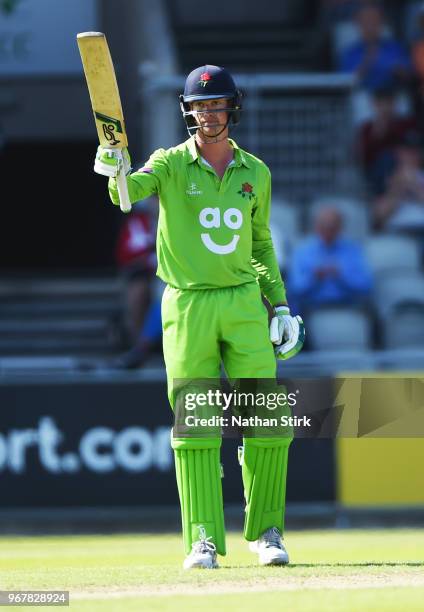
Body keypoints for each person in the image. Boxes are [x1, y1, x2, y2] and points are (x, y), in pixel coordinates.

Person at [94, 65, 304, 569]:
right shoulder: (169, 163)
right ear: (187, 113)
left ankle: (267, 531)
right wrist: (114, 166)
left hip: (242, 300)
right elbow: (127, 196)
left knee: (269, 419)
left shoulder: (255, 171)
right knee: (197, 423)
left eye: (216, 106)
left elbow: (261, 244)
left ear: (232, 109)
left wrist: (278, 304)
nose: (208, 115)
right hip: (187, 303)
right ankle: (203, 538)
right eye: (199, 107)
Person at [288, 207, 372, 312]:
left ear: (340, 228)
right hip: (310, 310)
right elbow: (294, 288)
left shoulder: (353, 250)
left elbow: (366, 286)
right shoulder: (302, 251)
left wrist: (341, 275)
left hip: (347, 308)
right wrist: (314, 278)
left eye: (332, 228)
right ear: (316, 227)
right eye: (324, 227)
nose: (328, 232)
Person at [338, 2, 411, 91]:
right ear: (358, 24)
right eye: (366, 21)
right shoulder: (350, 52)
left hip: (393, 96)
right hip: (361, 98)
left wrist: (397, 70)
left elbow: (409, 76)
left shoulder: (395, 48)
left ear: (381, 23)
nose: (371, 25)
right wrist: (368, 61)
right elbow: (344, 83)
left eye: (375, 20)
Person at [374, 131, 424, 231]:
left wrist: (414, 184)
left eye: (415, 151)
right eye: (407, 151)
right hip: (397, 233)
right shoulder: (388, 178)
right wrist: (397, 189)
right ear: (398, 152)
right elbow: (378, 216)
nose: (411, 155)